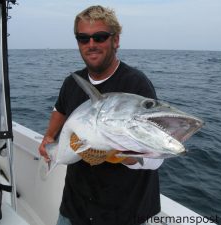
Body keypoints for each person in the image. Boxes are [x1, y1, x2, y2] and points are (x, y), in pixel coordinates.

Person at [39, 5, 164, 225]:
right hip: (75, 207)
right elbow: (60, 109)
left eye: (100, 37)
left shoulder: (136, 84)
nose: (91, 45)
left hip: (124, 213)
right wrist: (48, 138)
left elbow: (154, 160)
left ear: (116, 40)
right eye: (83, 38)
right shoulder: (72, 82)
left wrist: (114, 153)